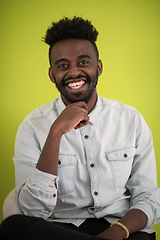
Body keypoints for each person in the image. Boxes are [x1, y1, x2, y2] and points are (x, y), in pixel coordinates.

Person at [0, 16, 160, 240]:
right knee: (13, 226)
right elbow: (31, 211)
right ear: (51, 74)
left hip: (122, 228)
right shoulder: (32, 126)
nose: (74, 72)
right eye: (63, 65)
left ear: (99, 67)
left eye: (83, 62)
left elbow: (148, 197)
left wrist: (115, 232)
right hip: (62, 229)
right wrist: (56, 132)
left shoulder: (130, 119)